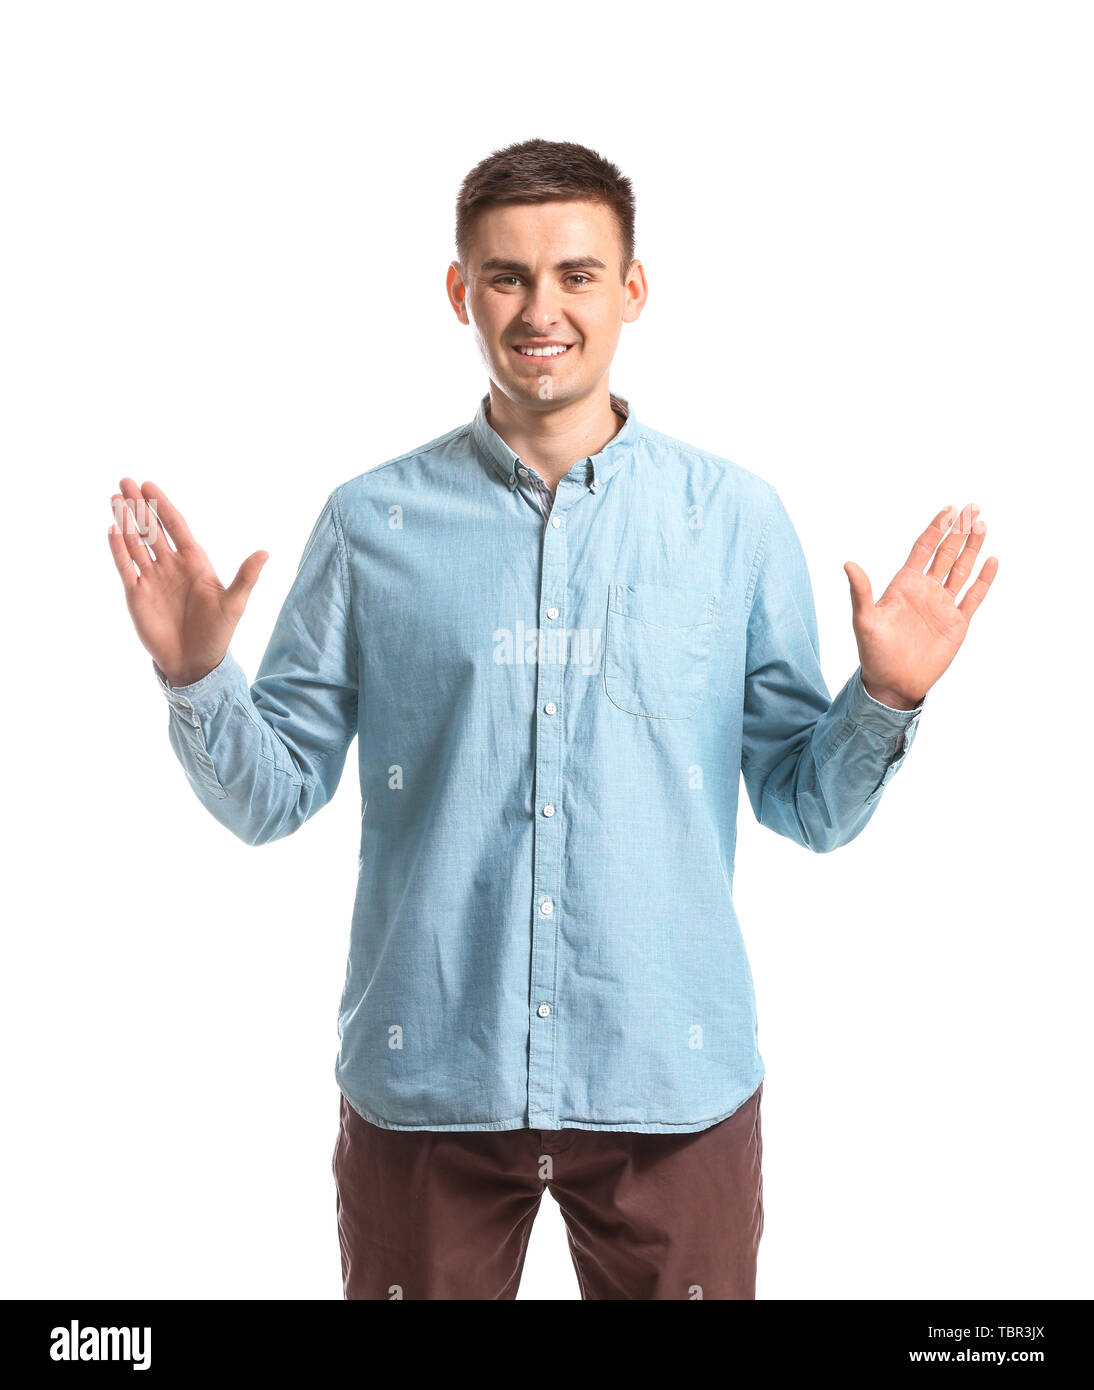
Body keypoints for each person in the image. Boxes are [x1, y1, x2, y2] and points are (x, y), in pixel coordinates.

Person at [108, 138, 998, 1300]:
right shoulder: (370, 523)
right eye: (507, 276)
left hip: (668, 1090)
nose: (542, 309)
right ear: (459, 291)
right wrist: (194, 676)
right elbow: (273, 797)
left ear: (632, 290)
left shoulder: (732, 522)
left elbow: (806, 807)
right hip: (428, 1077)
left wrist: (885, 696)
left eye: (577, 274)